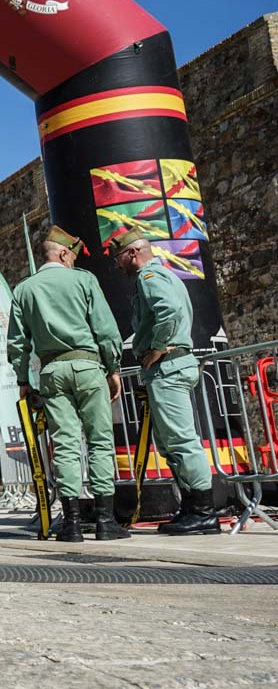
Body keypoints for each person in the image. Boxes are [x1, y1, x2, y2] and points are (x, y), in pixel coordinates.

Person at [8, 225, 130, 542]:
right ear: (63, 253)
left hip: (51, 371)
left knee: (64, 443)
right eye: (72, 256)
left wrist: (23, 379)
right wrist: (113, 368)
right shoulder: (84, 281)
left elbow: (18, 343)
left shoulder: (24, 289)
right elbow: (105, 329)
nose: (74, 261)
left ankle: (72, 522)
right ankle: (105, 521)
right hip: (88, 366)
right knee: (100, 440)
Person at [110, 228, 219, 535]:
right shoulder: (165, 275)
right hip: (171, 367)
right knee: (172, 443)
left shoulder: (149, 278)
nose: (117, 265)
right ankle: (192, 506)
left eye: (119, 258)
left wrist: (158, 346)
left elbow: (168, 311)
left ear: (133, 253)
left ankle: (203, 511)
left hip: (168, 368)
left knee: (181, 441)